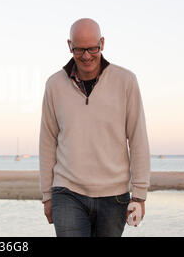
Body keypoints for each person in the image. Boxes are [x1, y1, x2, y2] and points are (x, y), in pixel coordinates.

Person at [39, 18, 150, 237]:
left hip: (114, 196)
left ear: (102, 43)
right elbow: (47, 142)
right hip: (67, 192)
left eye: (92, 48)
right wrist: (47, 195)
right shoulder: (54, 85)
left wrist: (139, 195)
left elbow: (138, 138)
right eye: (80, 49)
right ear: (70, 46)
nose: (86, 56)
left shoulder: (126, 81)